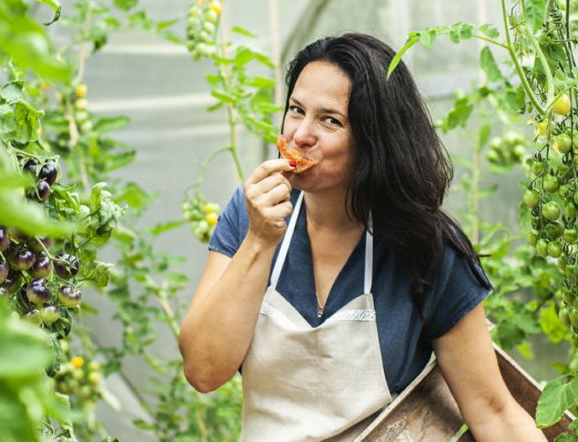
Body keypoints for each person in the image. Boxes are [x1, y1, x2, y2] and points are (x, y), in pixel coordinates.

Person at [178, 33, 545, 441]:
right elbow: (203, 371)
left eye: (330, 120)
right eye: (296, 110)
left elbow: (493, 412)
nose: (300, 135)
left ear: (374, 139)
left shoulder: (425, 247)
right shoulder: (252, 215)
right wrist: (259, 241)